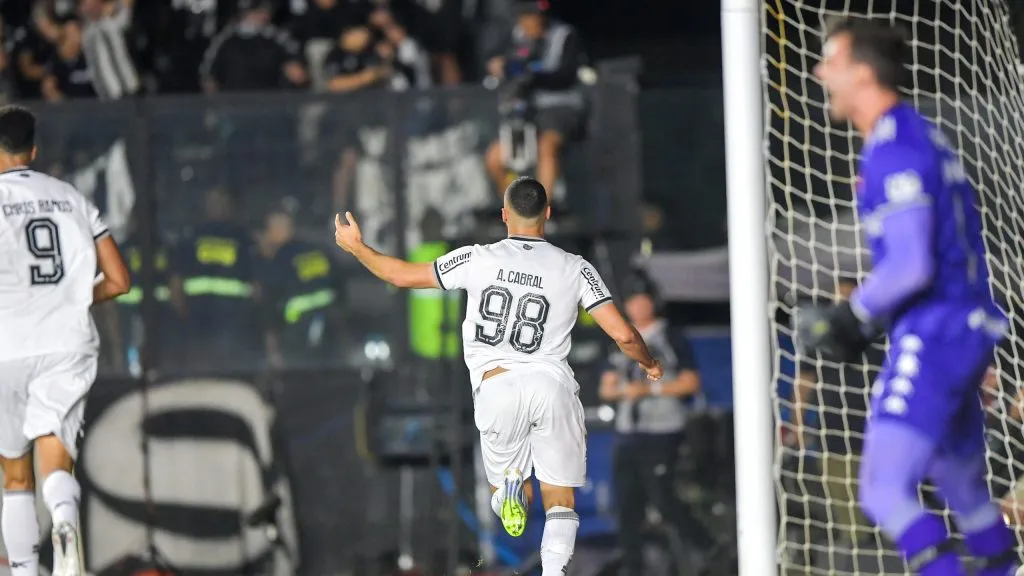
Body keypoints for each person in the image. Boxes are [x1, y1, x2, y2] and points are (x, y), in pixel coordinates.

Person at [334, 176, 663, 575]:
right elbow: (624, 334)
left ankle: (509, 489)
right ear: (548, 214)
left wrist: (357, 248)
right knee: (560, 499)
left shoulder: (476, 258)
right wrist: (648, 363)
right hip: (551, 385)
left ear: (505, 215)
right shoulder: (576, 268)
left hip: (497, 385)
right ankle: (555, 572)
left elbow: (401, 275)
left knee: (511, 491)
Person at [803, 17, 1016, 576]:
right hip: (963, 329)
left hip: (938, 333)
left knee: (881, 488)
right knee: (961, 486)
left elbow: (912, 265)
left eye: (832, 59)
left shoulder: (895, 148)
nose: (821, 71)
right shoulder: (915, 136)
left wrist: (851, 316)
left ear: (863, 71)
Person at [0, 105, 131, 576]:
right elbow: (118, 280)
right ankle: (65, 528)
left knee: (15, 473)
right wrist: (72, 298)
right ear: (32, 151)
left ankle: (22, 570)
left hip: (5, 345)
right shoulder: (71, 198)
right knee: (56, 461)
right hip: (66, 342)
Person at [598, 279, 710, 576]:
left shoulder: (670, 336)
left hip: (663, 430)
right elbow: (607, 388)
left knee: (662, 496)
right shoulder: (617, 338)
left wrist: (650, 390)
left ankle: (704, 548)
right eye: (633, 301)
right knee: (626, 504)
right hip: (629, 432)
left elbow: (691, 382)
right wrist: (627, 390)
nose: (638, 307)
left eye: (643, 300)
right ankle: (633, 565)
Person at [483, 0, 586, 201]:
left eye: (537, 16)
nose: (533, 22)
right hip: (524, 112)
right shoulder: (516, 39)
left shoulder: (564, 35)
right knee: (494, 158)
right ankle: (518, 209)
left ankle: (542, 207)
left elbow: (565, 74)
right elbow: (501, 66)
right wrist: (503, 66)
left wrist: (532, 76)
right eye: (529, 17)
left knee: (546, 147)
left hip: (560, 107)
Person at [168, 188, 259, 371]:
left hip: (232, 327)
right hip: (201, 324)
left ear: (230, 207)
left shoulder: (242, 239)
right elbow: (176, 285)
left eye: (221, 202)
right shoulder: (192, 238)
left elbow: (257, 286)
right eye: (214, 202)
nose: (218, 207)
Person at [259, 207, 341, 368]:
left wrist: (272, 347)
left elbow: (270, 300)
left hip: (298, 336)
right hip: (330, 329)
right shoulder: (319, 250)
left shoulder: (280, 257)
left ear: (276, 230)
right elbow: (340, 287)